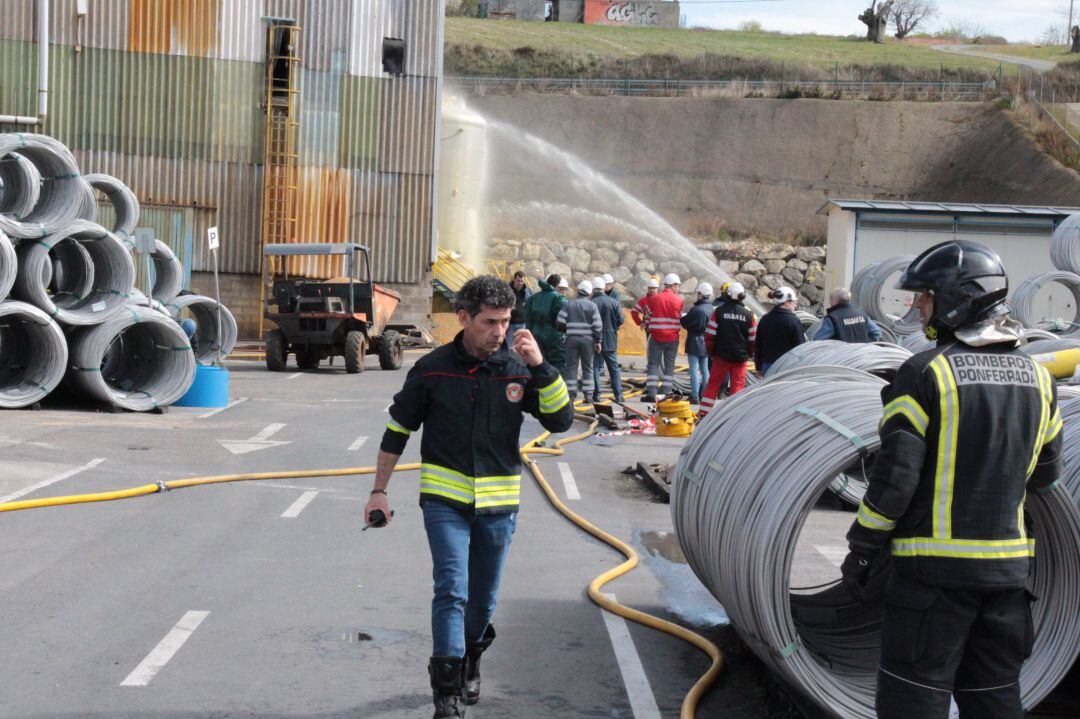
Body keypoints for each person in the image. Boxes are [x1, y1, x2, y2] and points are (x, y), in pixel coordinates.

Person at [839, 240, 1062, 719]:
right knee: (994, 697)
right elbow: (1046, 477)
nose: (917, 307)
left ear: (958, 298)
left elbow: (894, 482)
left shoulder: (924, 373)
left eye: (925, 296)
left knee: (914, 697)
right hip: (1007, 581)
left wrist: (862, 547)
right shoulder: (1040, 380)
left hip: (932, 581)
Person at [365, 276, 574, 719]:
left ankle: (472, 657)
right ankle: (447, 693)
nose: (499, 331)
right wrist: (379, 491)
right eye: (489, 322)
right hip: (445, 504)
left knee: (482, 600)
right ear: (463, 319)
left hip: (498, 507)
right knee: (452, 590)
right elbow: (398, 429)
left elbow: (561, 422)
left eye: (506, 321)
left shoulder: (517, 367)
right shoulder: (432, 368)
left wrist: (541, 367)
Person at [700, 282, 756, 413]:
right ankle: (733, 416)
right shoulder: (749, 315)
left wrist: (711, 353)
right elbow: (753, 339)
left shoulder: (718, 312)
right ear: (743, 296)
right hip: (740, 358)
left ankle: (703, 414)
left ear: (727, 295)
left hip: (720, 356)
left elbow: (709, 335)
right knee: (737, 388)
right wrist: (750, 354)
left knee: (712, 386)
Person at [557, 280, 603, 402]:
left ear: (578, 291)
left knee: (571, 367)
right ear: (589, 293)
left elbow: (560, 322)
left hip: (571, 340)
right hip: (588, 341)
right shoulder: (593, 306)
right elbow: (598, 326)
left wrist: (566, 331)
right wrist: (598, 341)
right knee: (588, 367)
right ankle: (588, 395)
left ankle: (571, 395)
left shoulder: (569, 304)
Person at [641, 273, 684, 402]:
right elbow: (679, 317)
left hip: (656, 337)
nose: (678, 289)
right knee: (669, 366)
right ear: (674, 285)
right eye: (678, 286)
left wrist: (647, 324)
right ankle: (666, 393)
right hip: (672, 338)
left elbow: (647, 317)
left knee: (653, 364)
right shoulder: (679, 300)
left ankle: (652, 394)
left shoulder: (654, 299)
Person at [753, 286, 804, 375]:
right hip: (787, 367)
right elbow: (800, 346)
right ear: (787, 302)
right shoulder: (793, 320)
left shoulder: (764, 319)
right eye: (794, 302)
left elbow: (758, 344)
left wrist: (758, 367)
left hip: (767, 367)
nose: (795, 305)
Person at [524, 273, 567, 374]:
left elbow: (528, 318)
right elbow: (562, 319)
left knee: (537, 361)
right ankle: (558, 387)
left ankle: (536, 387)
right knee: (558, 362)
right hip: (553, 336)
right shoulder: (558, 298)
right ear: (557, 285)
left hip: (536, 334)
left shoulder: (533, 297)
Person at [591, 276, 624, 402]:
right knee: (613, 368)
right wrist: (612, 327)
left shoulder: (591, 303)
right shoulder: (613, 302)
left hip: (594, 340)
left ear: (593, 288)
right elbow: (621, 320)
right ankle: (619, 395)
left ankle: (597, 394)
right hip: (610, 339)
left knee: (595, 367)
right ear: (604, 287)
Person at [679, 282, 713, 404]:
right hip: (707, 342)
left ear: (700, 294)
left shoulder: (697, 310)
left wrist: (682, 316)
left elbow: (685, 322)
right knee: (705, 370)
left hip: (694, 340)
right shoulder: (712, 309)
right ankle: (704, 395)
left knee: (694, 369)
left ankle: (694, 396)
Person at [813, 287, 882, 342]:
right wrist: (865, 345)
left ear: (833, 300)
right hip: (862, 357)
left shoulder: (833, 318)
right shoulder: (862, 314)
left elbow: (818, 340)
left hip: (841, 358)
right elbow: (877, 332)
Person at [507, 270, 533, 341]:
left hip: (522, 323)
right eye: (518, 281)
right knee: (510, 346)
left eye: (522, 281)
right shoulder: (507, 290)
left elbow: (531, 305)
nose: (520, 283)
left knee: (521, 344)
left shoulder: (528, 291)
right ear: (514, 279)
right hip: (510, 323)